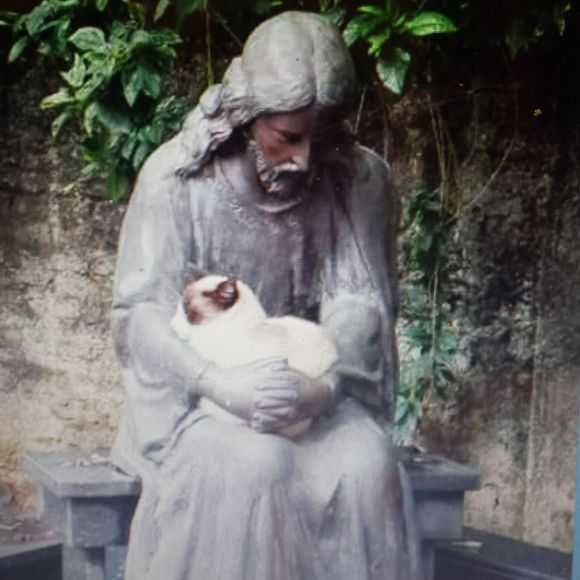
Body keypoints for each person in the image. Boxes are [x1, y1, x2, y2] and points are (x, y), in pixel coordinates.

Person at [111, 11, 419, 580]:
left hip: (312, 389)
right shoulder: (177, 180)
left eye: (320, 137)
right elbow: (142, 315)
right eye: (287, 137)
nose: (305, 158)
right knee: (256, 467)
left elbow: (358, 301)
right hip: (201, 399)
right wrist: (217, 383)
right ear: (246, 117)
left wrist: (322, 387)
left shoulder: (355, 179)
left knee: (367, 465)